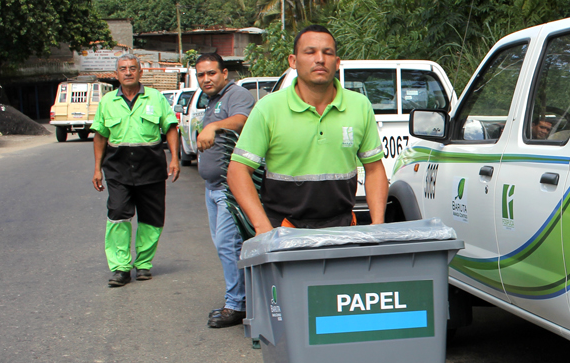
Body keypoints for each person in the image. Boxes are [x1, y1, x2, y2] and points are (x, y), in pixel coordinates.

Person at [228, 25, 388, 236]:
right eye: (310, 52)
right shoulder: (269, 108)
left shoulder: (360, 106)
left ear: (337, 63)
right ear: (293, 61)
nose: (320, 59)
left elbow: (375, 169)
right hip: (284, 231)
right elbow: (238, 171)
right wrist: (262, 226)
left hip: (343, 230)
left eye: (327, 53)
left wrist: (377, 223)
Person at [91, 54, 181, 287]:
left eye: (133, 68)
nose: (128, 72)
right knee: (118, 214)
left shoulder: (156, 98)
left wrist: (174, 159)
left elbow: (170, 127)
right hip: (118, 168)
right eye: (123, 69)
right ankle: (120, 268)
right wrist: (97, 169)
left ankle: (143, 264)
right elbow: (100, 135)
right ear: (116, 74)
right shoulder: (107, 101)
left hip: (151, 166)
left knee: (151, 218)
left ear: (140, 72)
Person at [193, 52, 255, 329]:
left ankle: (236, 304)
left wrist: (215, 126)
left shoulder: (236, 95)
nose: (206, 79)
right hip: (212, 187)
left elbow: (242, 120)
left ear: (224, 73)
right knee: (224, 246)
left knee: (228, 246)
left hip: (230, 188)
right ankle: (238, 299)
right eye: (201, 75)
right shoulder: (212, 100)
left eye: (211, 73)